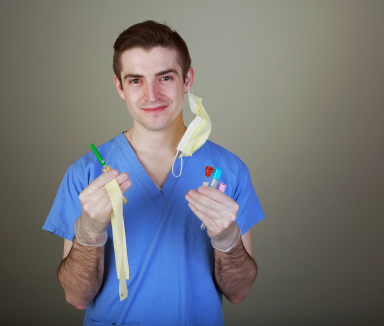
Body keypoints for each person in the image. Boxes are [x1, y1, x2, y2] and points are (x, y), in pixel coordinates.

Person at [43, 20, 265, 326]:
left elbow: (239, 292)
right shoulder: (86, 174)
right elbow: (76, 297)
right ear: (119, 87)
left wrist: (228, 240)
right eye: (136, 80)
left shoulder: (230, 170)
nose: (152, 95)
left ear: (187, 80)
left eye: (165, 77)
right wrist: (89, 232)